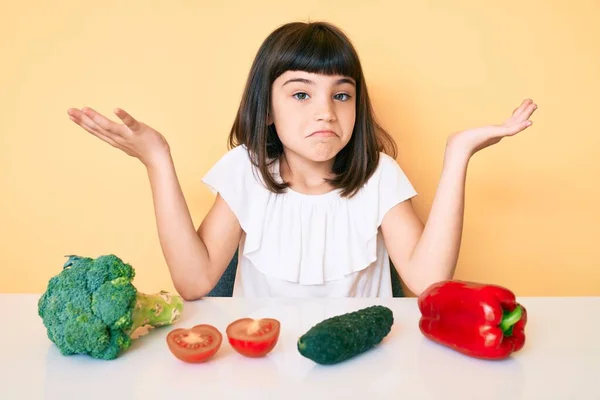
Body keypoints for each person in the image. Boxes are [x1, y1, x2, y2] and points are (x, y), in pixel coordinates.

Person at [67, 21, 537, 300]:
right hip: (260, 364)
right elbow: (193, 282)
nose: (325, 112)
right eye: (300, 93)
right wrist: (157, 159)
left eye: (342, 94)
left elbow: (429, 281)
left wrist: (457, 156)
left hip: (363, 368)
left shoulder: (378, 178)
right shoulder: (246, 171)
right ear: (267, 110)